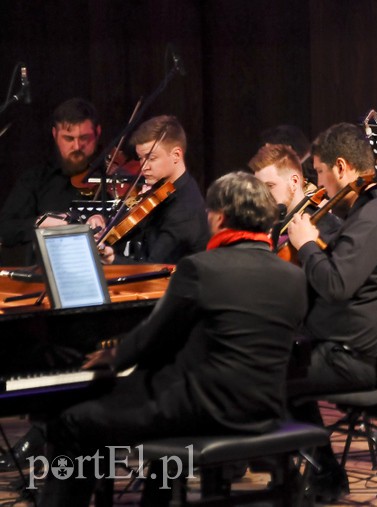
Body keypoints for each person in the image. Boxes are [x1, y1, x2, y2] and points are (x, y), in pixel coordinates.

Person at [37, 171, 308, 506]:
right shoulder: (295, 277)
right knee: (141, 395)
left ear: (219, 217)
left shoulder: (199, 268)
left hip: (204, 411)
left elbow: (151, 337)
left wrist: (114, 358)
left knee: (74, 420)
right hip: (263, 409)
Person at [285, 122, 377, 502]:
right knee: (283, 367)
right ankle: (319, 474)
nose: (321, 185)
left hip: (359, 356)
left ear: (341, 168)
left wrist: (307, 245)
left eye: (321, 174)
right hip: (366, 346)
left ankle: (312, 478)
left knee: (264, 376)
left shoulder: (376, 214)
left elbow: (336, 284)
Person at [0, 98, 102, 265]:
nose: (77, 146)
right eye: (68, 138)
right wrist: (39, 223)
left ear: (98, 132)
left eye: (84, 138)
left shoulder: (114, 176)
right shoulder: (36, 179)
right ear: (55, 135)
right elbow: (5, 228)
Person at [97, 115, 209, 264]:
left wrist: (112, 259)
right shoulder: (161, 191)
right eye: (141, 158)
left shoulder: (183, 211)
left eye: (151, 158)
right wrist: (103, 221)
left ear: (176, 155)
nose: (144, 167)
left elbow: (154, 270)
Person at [247, 142, 340, 249]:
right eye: (259, 188)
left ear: (294, 182)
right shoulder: (265, 229)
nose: (262, 195)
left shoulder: (327, 228)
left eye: (270, 186)